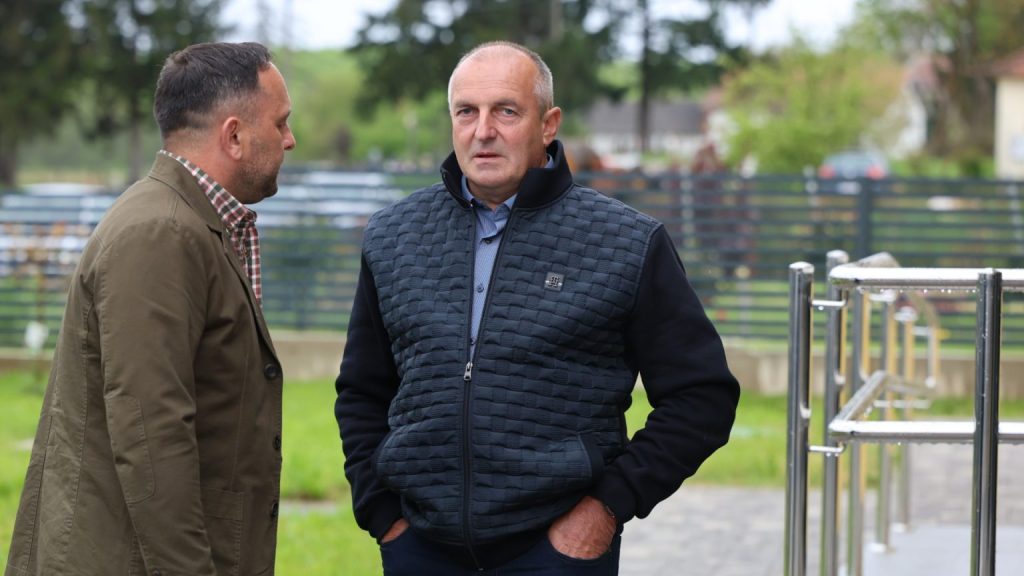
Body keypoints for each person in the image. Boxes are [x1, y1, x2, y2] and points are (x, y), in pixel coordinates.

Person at [335, 41, 739, 575]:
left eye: (506, 111)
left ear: (548, 125)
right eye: (466, 112)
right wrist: (382, 514)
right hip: (420, 549)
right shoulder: (394, 236)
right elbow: (361, 390)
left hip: (558, 552)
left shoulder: (626, 243)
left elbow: (702, 397)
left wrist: (606, 509)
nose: (483, 130)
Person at [5, 42, 295, 576]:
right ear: (233, 135)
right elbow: (151, 431)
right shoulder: (160, 232)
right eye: (280, 123)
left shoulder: (187, 221)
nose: (290, 139)